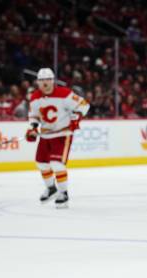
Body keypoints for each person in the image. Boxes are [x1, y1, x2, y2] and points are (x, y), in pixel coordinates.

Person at [26, 68, 90, 208]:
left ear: (53, 80)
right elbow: (34, 116)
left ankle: (63, 193)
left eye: (48, 79)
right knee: (41, 163)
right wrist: (33, 128)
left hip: (63, 134)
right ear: (37, 82)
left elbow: (84, 105)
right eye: (42, 80)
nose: (45, 83)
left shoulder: (64, 93)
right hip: (45, 134)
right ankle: (51, 189)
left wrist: (77, 118)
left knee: (57, 164)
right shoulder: (35, 97)